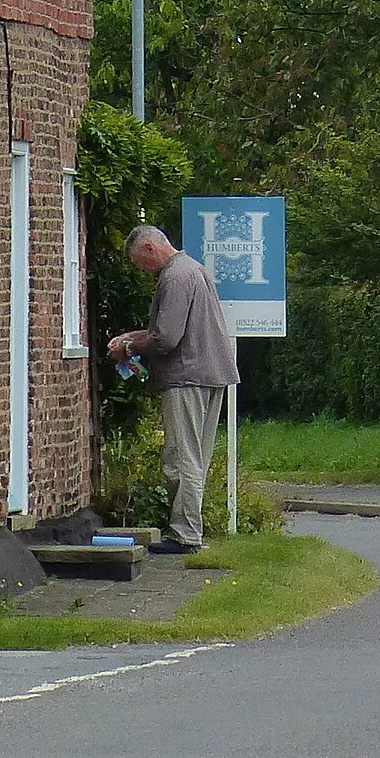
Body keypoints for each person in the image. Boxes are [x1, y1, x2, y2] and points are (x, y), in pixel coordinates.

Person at [107, 224, 239, 554]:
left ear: (150, 249)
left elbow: (165, 338)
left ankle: (185, 533)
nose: (144, 271)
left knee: (183, 459)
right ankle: (189, 529)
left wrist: (127, 346)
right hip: (211, 372)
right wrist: (133, 338)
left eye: (141, 263)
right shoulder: (194, 269)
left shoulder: (175, 276)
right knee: (195, 457)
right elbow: (168, 329)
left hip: (187, 377)